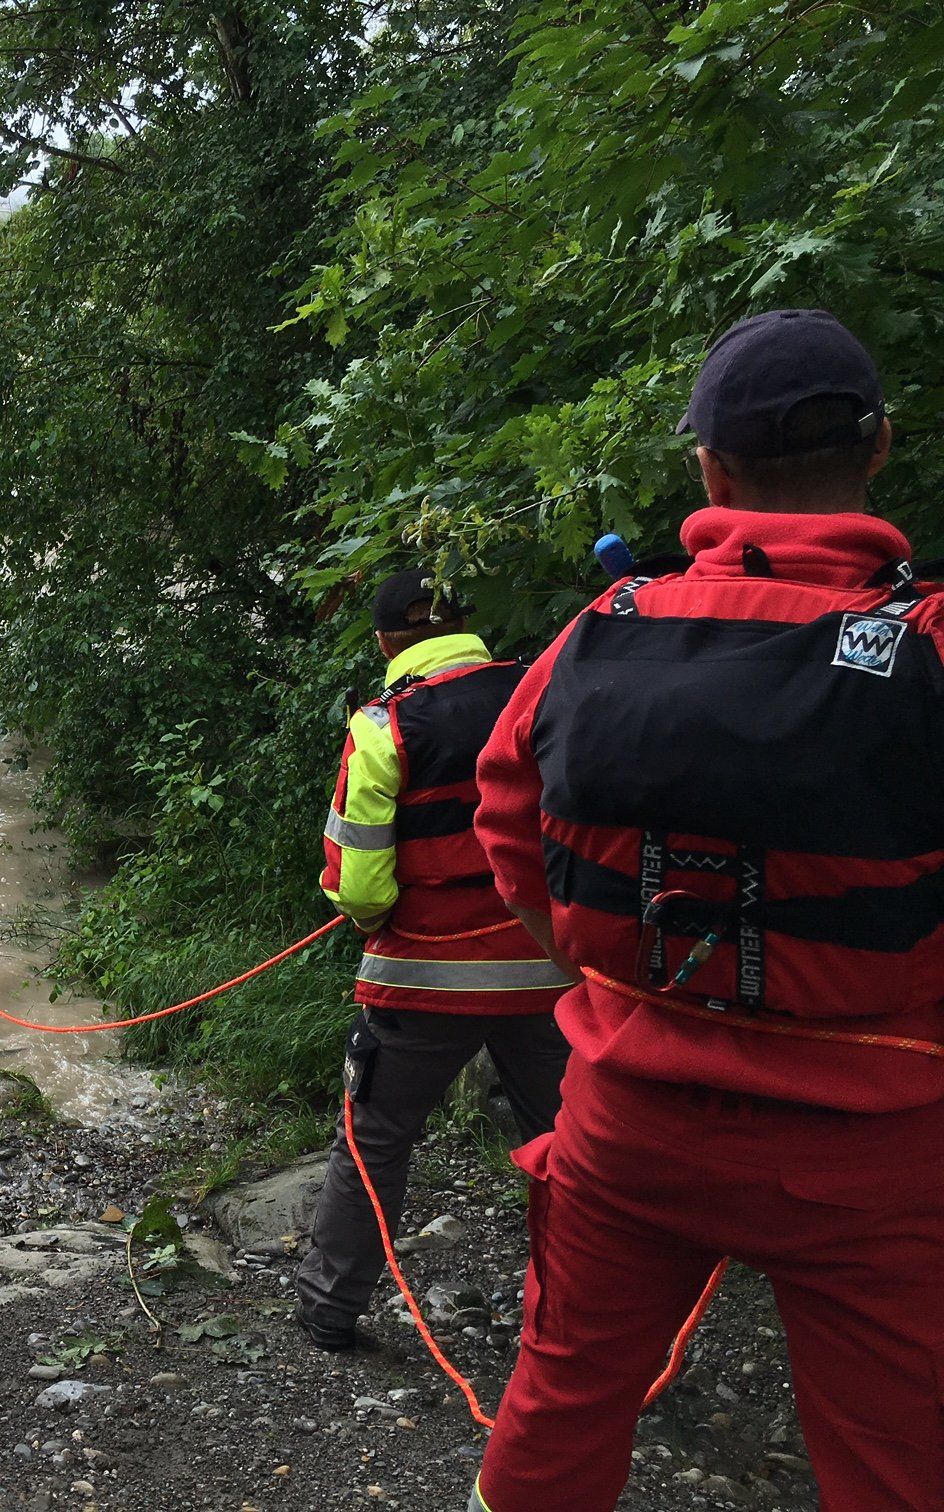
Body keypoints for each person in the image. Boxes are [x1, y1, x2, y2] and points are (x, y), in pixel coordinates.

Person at [468, 309, 944, 1510]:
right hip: (876, 1150)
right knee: (894, 1466)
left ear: (710, 472)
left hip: (630, 1120)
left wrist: (600, 976)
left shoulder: (593, 640)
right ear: (879, 447)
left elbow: (507, 830)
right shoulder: (931, 647)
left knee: (559, 1411)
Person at [295, 572, 572, 1351]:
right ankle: (578, 1322)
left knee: (375, 1137)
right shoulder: (547, 693)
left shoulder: (385, 727)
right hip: (548, 971)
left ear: (387, 642)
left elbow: (359, 881)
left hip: (421, 977)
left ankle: (330, 1310)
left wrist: (372, 917)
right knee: (568, 1146)